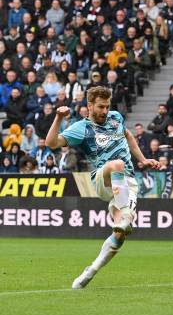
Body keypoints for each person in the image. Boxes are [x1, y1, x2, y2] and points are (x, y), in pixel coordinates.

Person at [45, 87, 160, 289]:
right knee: (117, 165)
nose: (105, 111)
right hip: (103, 178)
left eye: (107, 106)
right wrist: (58, 118)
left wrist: (142, 159)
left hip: (128, 183)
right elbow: (51, 143)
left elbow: (128, 136)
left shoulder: (116, 117)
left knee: (119, 234)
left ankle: (90, 271)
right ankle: (125, 215)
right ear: (89, 106)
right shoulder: (82, 128)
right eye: (100, 107)